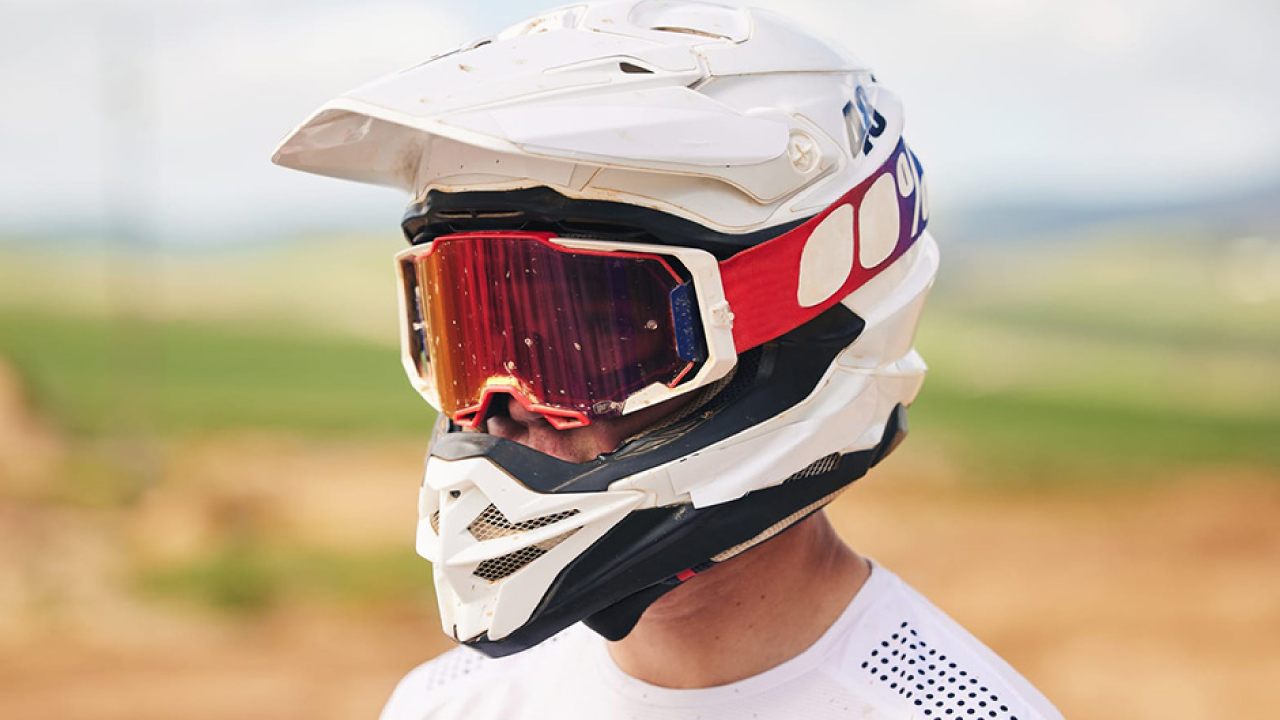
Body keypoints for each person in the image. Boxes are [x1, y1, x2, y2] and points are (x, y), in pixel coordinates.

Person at [273, 2, 1063, 718]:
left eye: (586, 342)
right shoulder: (447, 706)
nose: (503, 410)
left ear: (795, 328)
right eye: (471, 335)